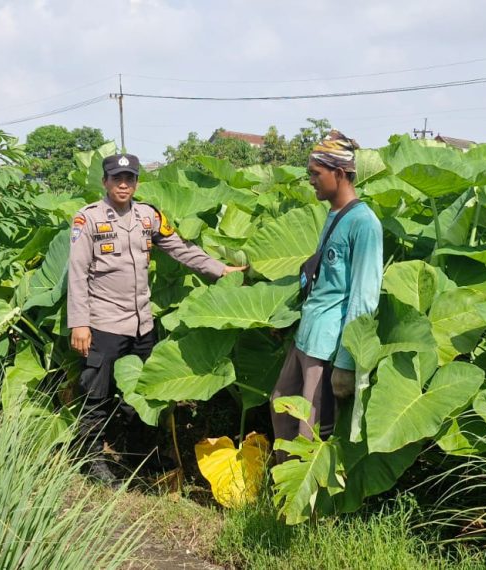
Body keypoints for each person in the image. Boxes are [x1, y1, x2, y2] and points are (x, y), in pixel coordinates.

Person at [67, 152, 246, 483]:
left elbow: (181, 249)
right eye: (117, 179)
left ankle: (140, 456)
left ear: (136, 182)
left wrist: (220, 270)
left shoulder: (148, 217)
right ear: (105, 182)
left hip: (141, 324)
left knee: (143, 394)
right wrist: (79, 323)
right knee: (97, 394)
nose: (124, 184)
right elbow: (77, 274)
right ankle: (91, 460)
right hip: (104, 323)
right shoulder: (88, 219)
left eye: (130, 179)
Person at [270, 130, 383, 454]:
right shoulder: (334, 214)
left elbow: (364, 296)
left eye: (315, 174)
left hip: (328, 346)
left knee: (310, 432)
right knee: (281, 407)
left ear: (339, 173)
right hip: (307, 336)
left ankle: (307, 505)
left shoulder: (365, 223)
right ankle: (281, 495)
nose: (310, 180)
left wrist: (347, 363)